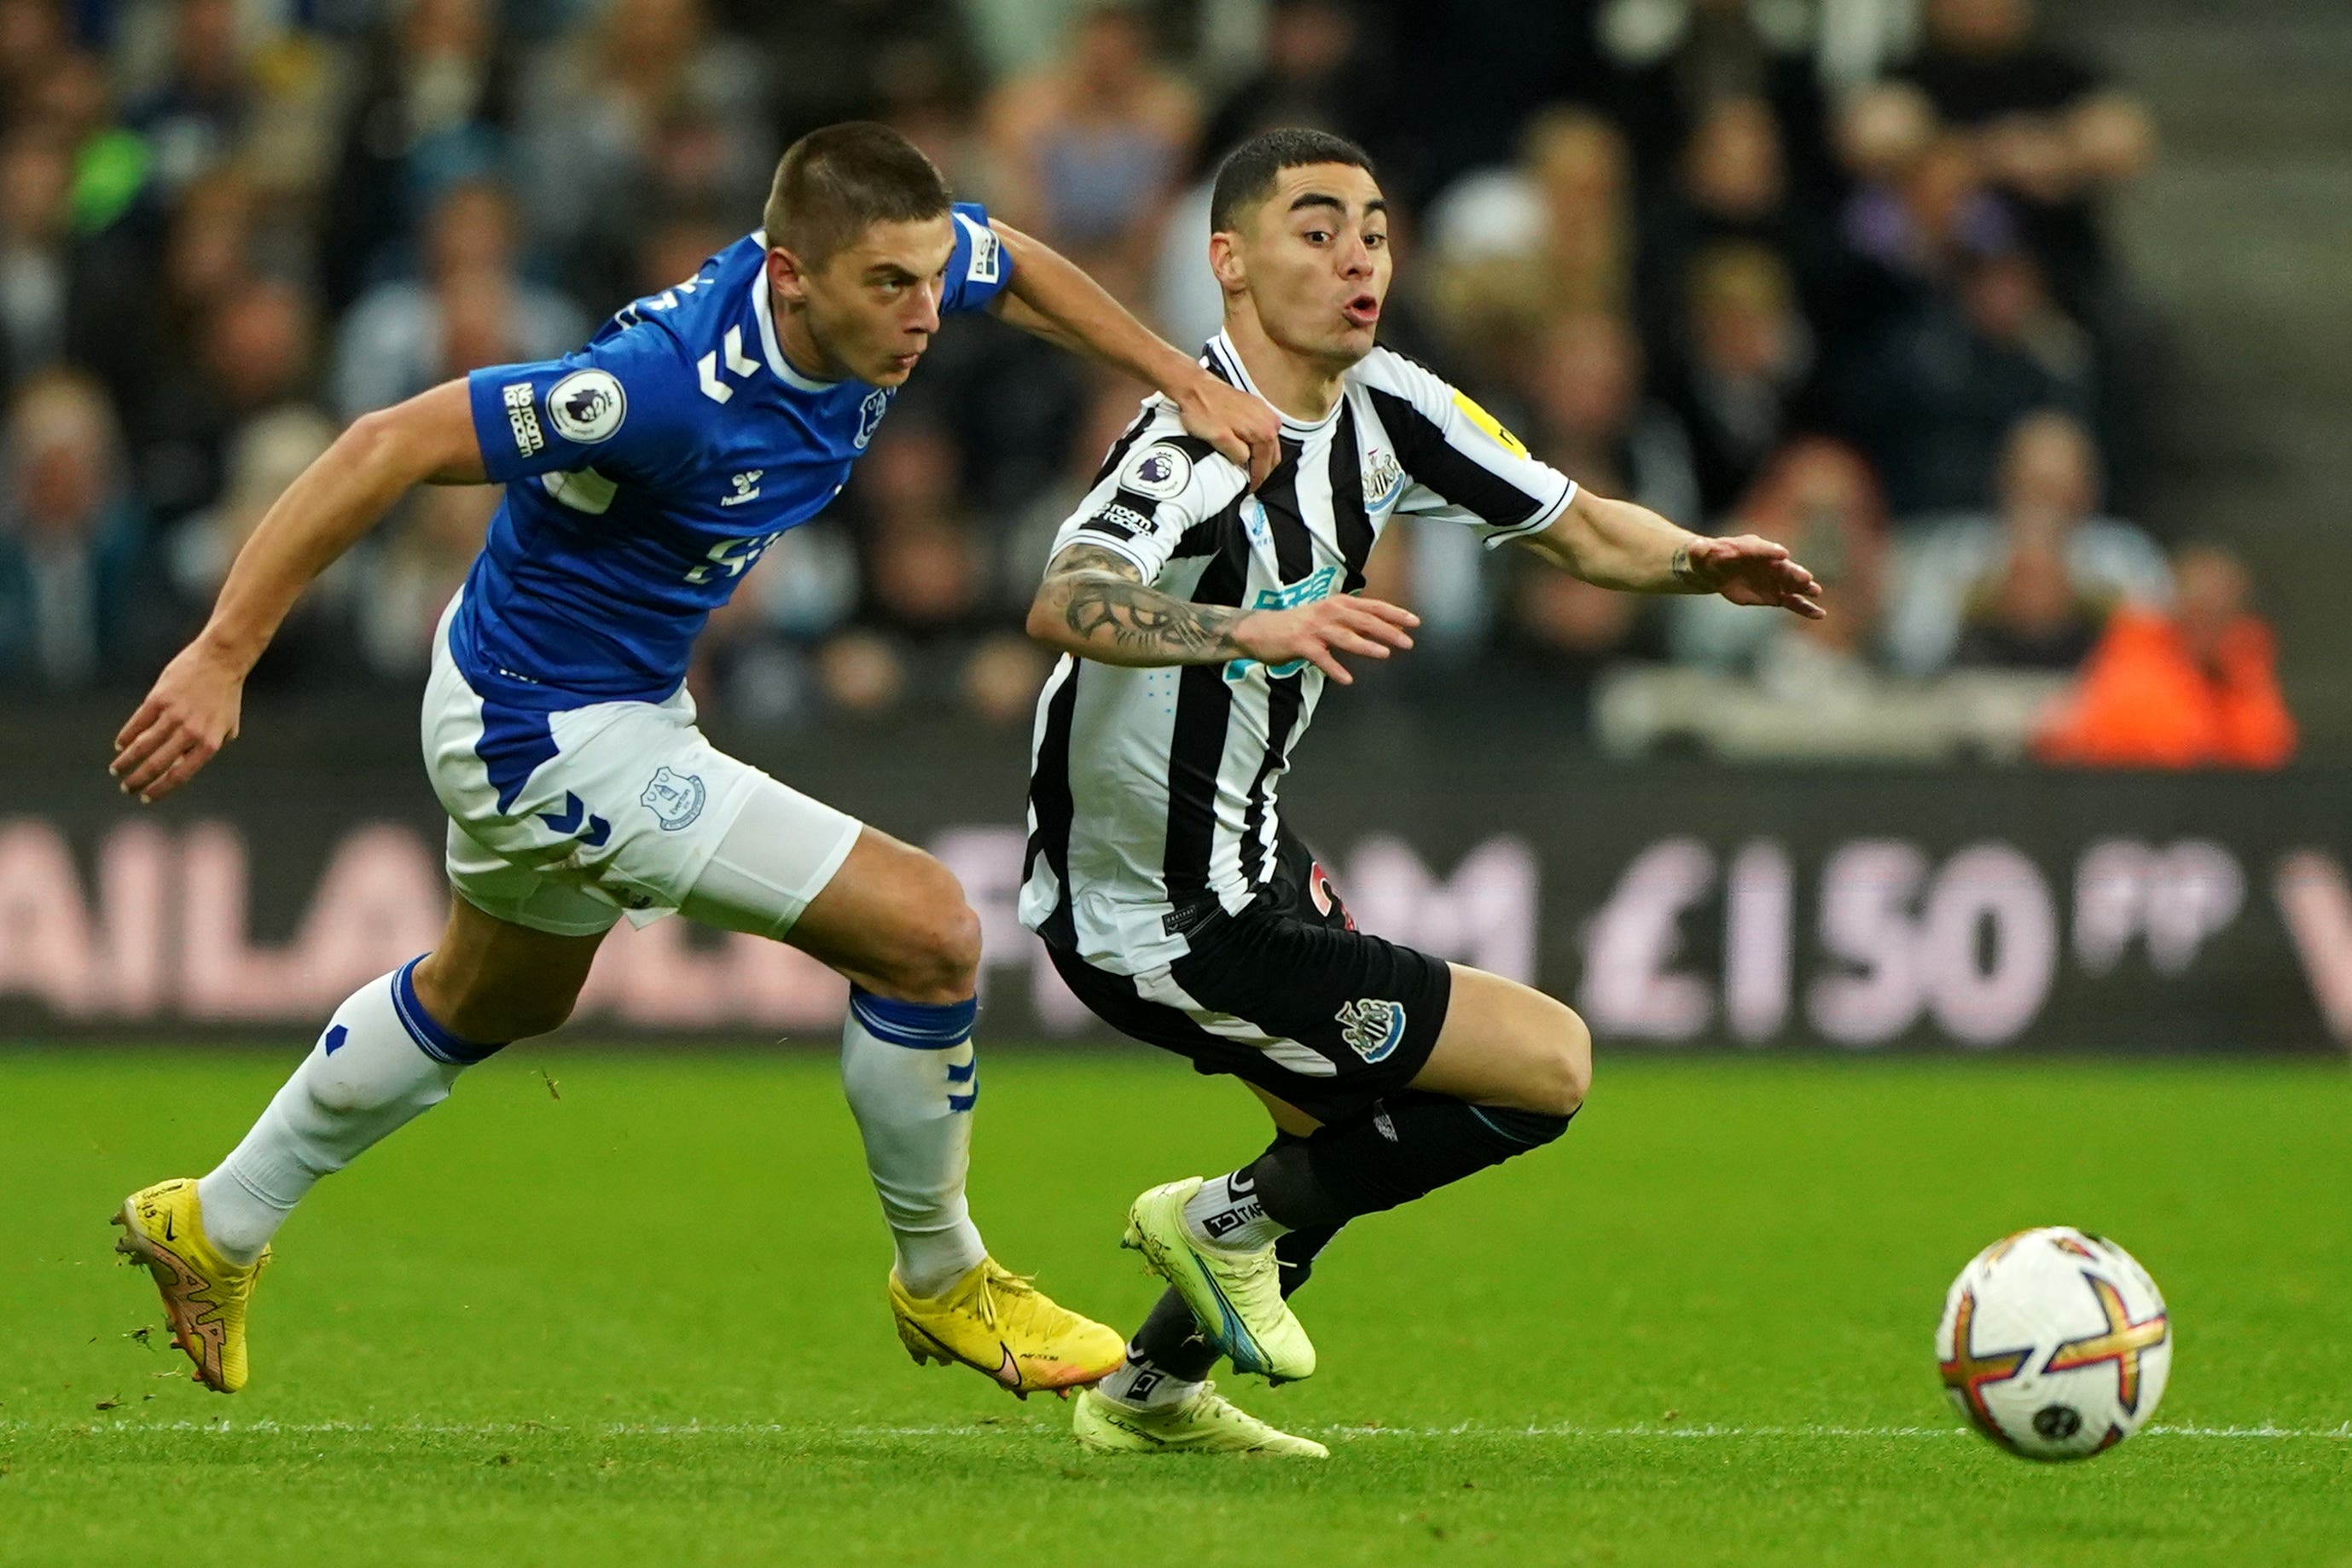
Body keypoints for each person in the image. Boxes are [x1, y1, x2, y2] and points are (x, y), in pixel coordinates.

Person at [106, 121, 1282, 1402]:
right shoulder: (660, 388)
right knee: (930, 931)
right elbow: (382, 446)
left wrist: (1180, 373)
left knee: (494, 998)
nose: (926, 311)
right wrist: (224, 652)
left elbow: (1021, 264)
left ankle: (211, 1222)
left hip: (575, 688)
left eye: (932, 277)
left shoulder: (889, 281)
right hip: (547, 728)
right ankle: (945, 1276)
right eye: (892, 285)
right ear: (790, 275)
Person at [1018, 128, 1821, 1455]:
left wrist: (1699, 562)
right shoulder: (1188, 440)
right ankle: (1216, 1221)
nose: (1358, 258)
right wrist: (1246, 630)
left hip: (1249, 860)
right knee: (1542, 1067)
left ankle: (1148, 1395)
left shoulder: (1389, 404)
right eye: (1318, 228)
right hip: (1151, 914)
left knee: (1349, 1134)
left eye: (1376, 231)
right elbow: (1068, 596)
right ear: (1226, 262)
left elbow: (1577, 523)